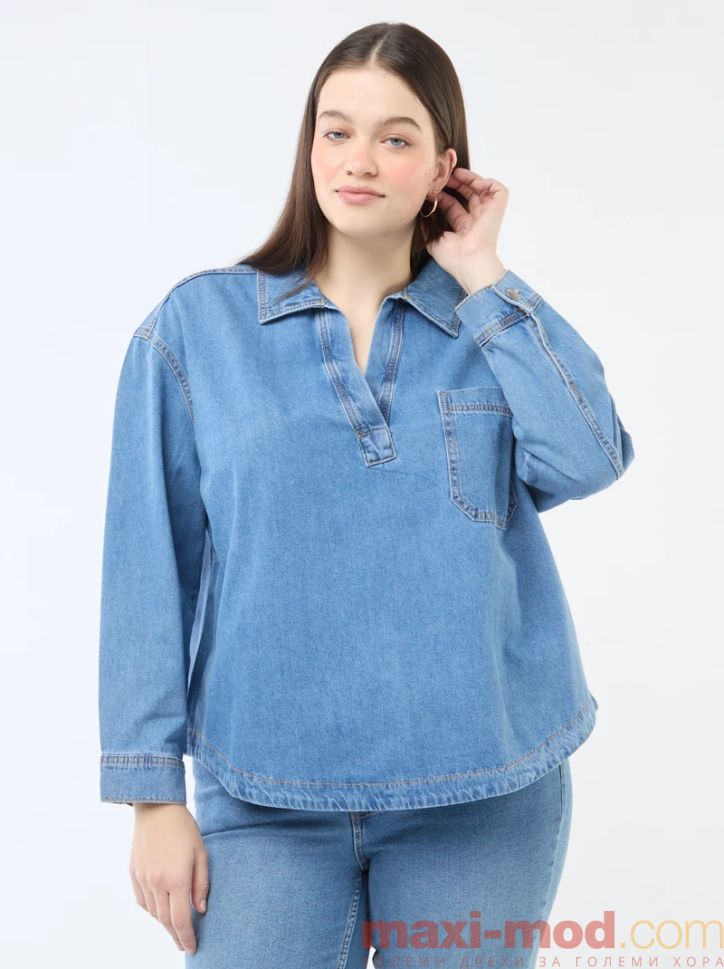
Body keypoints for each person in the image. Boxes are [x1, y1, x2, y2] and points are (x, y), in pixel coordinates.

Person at [97, 21, 635, 968]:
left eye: (396, 138)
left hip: (482, 789)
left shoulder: (488, 324)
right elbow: (148, 567)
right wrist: (152, 795)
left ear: (444, 168)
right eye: (337, 130)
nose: (359, 160)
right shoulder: (196, 329)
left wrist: (482, 271)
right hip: (265, 791)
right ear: (309, 146)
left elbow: (591, 457)